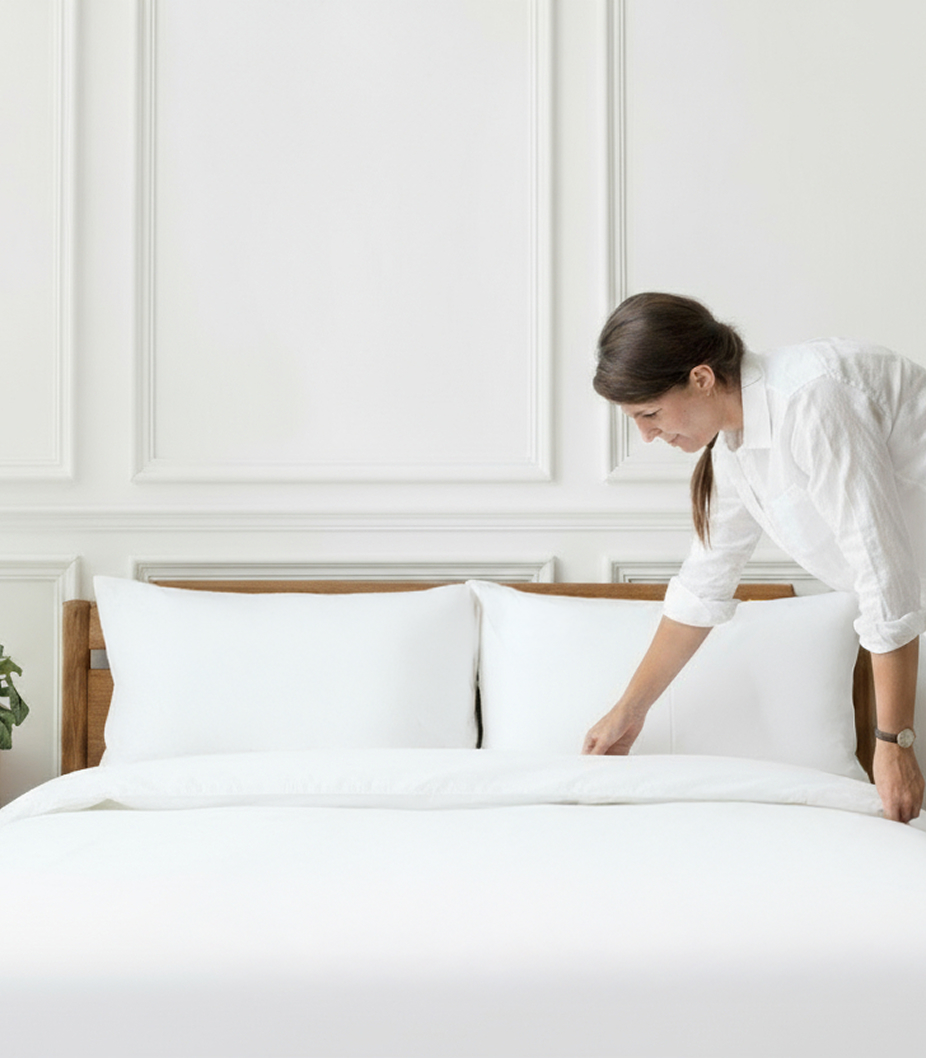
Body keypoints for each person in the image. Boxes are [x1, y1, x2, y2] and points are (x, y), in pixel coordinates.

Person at [582, 292, 926, 824]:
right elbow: (702, 589)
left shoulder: (813, 400)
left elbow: (884, 578)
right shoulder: (735, 451)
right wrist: (629, 713)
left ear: (701, 378)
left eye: (648, 414)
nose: (646, 434)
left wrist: (894, 741)